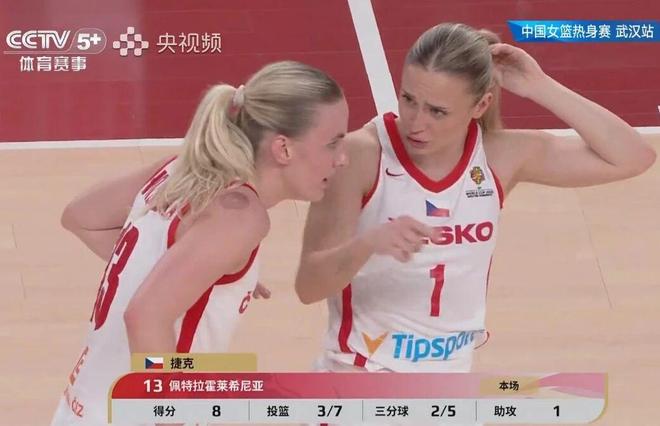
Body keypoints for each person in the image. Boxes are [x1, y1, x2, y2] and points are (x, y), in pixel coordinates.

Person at [295, 23, 656, 375]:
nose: (416, 122)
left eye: (437, 111)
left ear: (481, 105)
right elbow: (309, 286)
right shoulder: (359, 156)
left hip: (449, 381)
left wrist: (539, 86)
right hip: (359, 375)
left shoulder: (499, 156)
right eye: (409, 99)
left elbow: (633, 157)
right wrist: (369, 243)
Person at [50, 60, 349, 425]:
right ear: (283, 149)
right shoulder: (239, 217)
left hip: (81, 408)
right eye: (333, 143)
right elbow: (145, 317)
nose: (342, 158)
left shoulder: (180, 169)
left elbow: (82, 217)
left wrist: (196, 272)